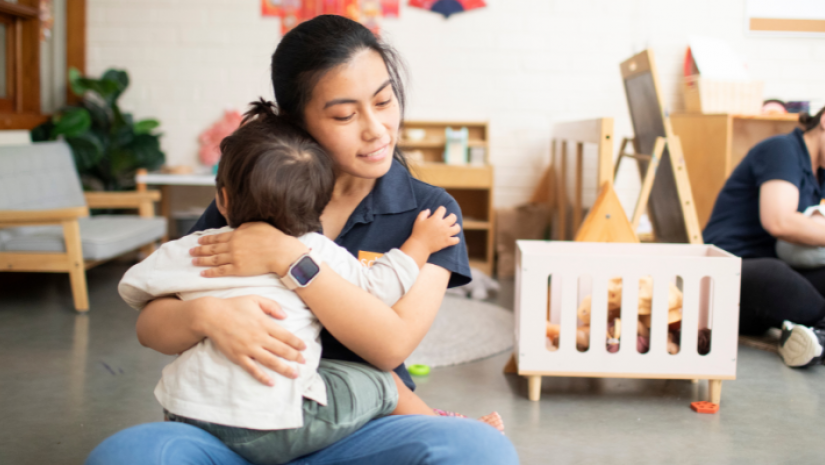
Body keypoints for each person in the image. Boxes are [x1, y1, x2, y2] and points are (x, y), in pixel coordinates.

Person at [86, 14, 518, 465]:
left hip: (357, 428)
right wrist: (206, 315)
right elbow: (153, 324)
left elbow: (390, 346)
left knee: (480, 451)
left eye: (385, 101)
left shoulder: (429, 213)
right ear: (296, 122)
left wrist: (288, 257)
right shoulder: (254, 196)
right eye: (345, 115)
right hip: (239, 429)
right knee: (125, 455)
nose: (376, 129)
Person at [703, 105, 825, 368]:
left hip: (773, 277)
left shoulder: (820, 173)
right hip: (732, 270)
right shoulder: (782, 149)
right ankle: (818, 333)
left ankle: (816, 337)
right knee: (774, 273)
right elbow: (779, 221)